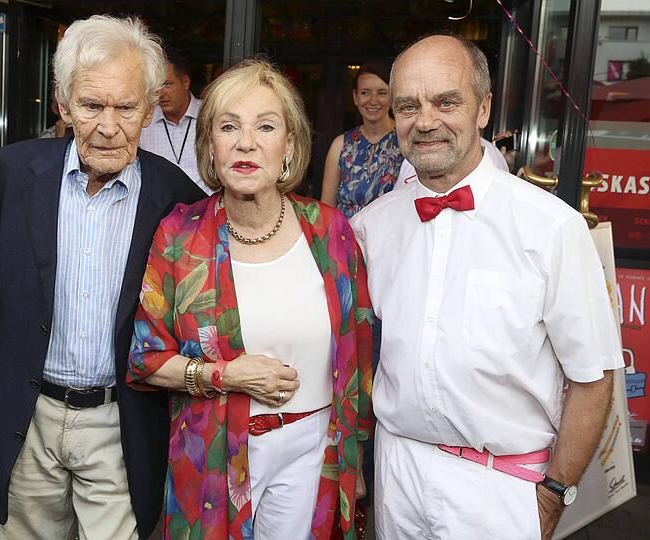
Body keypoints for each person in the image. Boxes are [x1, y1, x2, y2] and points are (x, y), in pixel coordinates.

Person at [350, 34, 623, 540]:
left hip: (502, 487)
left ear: (483, 109)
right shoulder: (369, 228)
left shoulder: (551, 227)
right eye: (408, 106)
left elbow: (594, 378)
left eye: (446, 101)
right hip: (397, 471)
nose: (425, 121)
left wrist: (553, 495)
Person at [0, 16, 205, 539]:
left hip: (122, 423)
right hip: (29, 417)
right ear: (63, 104)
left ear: (150, 108)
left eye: (126, 107)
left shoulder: (178, 198)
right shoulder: (6, 176)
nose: (108, 127)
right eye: (91, 106)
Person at [128, 59, 373, 540]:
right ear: (211, 147)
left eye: (266, 126)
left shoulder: (331, 232)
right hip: (215, 455)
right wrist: (226, 375)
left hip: (314, 450)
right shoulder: (180, 234)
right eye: (228, 126)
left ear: (290, 145)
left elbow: (359, 352)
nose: (246, 142)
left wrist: (358, 455)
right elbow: (145, 359)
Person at [321, 62, 403, 218]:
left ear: (392, 97)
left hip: (391, 238)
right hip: (347, 238)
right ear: (355, 97)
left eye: (382, 93)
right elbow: (326, 210)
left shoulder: (405, 140)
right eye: (365, 93)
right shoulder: (341, 145)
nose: (373, 100)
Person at [139, 48, 212, 194]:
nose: (161, 93)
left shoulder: (210, 115)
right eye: (156, 86)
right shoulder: (144, 121)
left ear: (185, 82)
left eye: (166, 84)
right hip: (162, 209)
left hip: (207, 209)